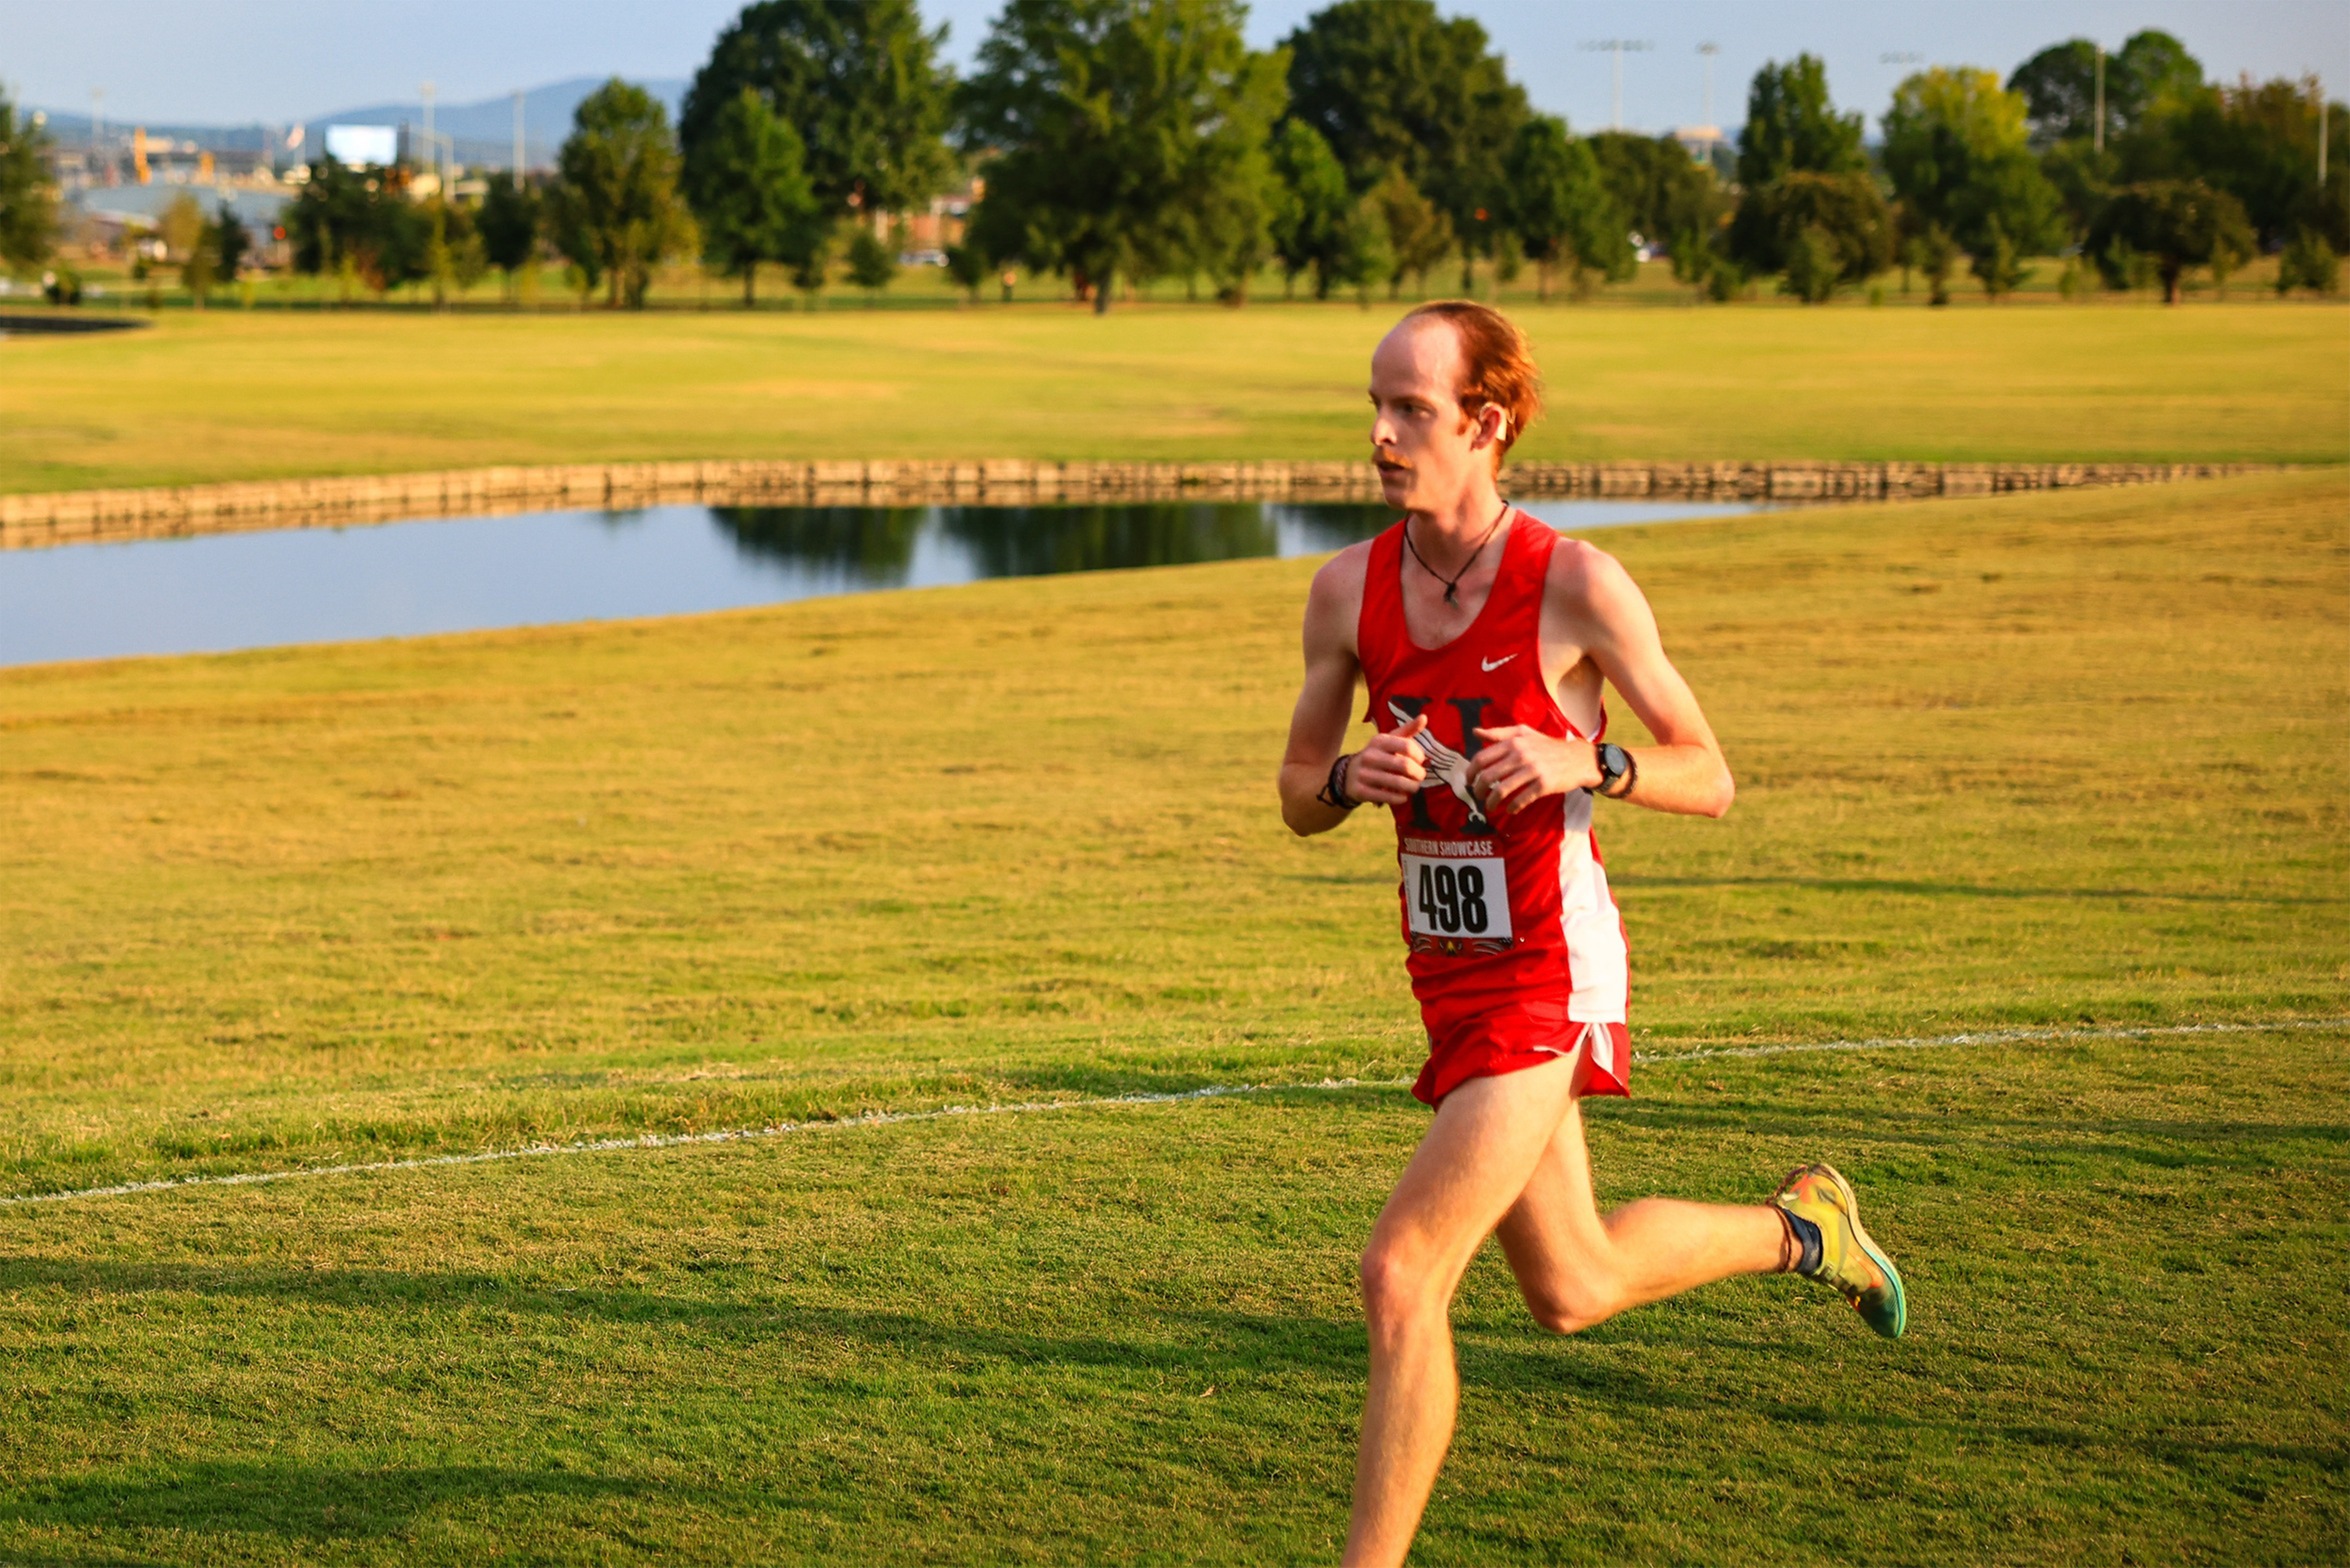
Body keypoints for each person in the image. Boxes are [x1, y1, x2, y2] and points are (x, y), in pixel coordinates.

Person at [1276, 301, 1906, 1568]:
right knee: (1573, 1285)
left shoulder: (1572, 582)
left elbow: (1710, 772)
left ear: (1485, 423)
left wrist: (1588, 757)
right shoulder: (1347, 588)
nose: (1380, 434)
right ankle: (1808, 1229)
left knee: (1401, 1274)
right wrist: (1354, 779)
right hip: (1447, 978)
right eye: (1375, 405)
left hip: (1553, 971)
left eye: (1410, 409)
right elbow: (1296, 788)